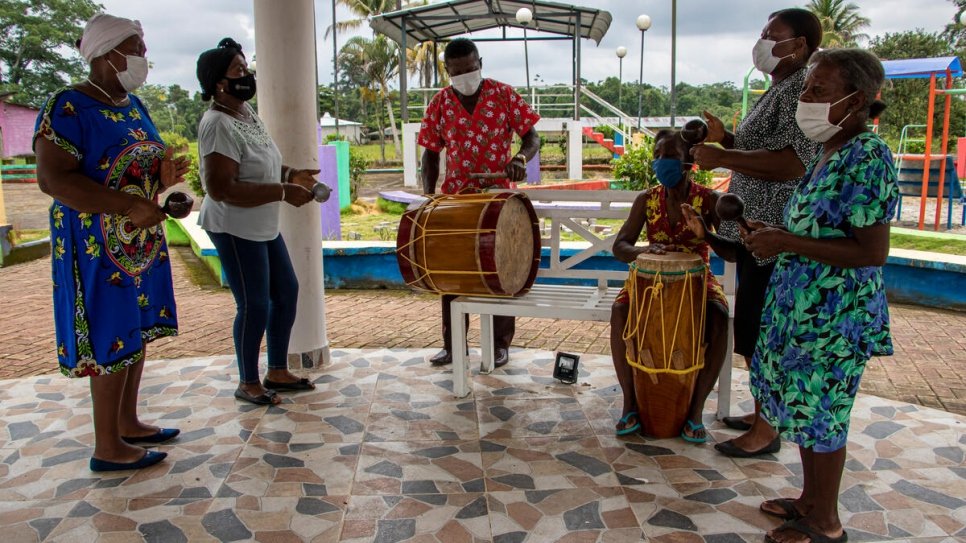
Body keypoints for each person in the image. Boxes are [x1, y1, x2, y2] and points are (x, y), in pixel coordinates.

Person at [741, 48, 897, 543]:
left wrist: (784, 241)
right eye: (807, 89)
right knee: (806, 411)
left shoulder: (867, 155)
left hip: (835, 316)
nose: (806, 99)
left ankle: (825, 524)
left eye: (819, 91)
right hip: (806, 308)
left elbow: (870, 250)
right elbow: (821, 227)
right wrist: (776, 231)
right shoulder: (832, 150)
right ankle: (808, 501)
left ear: (859, 100)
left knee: (824, 413)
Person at [34, 13, 188, 471]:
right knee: (109, 330)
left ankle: (128, 423)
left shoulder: (133, 105)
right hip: (95, 246)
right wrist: (124, 205)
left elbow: (136, 166)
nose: (143, 56)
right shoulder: (68, 107)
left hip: (137, 241)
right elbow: (53, 179)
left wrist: (161, 180)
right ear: (107, 51)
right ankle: (107, 446)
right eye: (136, 47)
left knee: (135, 329)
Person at [689, 8, 823, 458]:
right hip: (754, 231)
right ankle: (766, 412)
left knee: (761, 327)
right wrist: (728, 141)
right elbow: (761, 150)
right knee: (753, 325)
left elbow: (793, 162)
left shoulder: (800, 91)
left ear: (799, 45)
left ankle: (766, 430)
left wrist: (724, 159)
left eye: (773, 36)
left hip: (774, 232)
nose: (762, 42)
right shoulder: (779, 89)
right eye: (762, 33)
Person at [195, 38, 319, 406]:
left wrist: (291, 173)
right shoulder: (218, 123)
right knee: (254, 304)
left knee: (286, 291)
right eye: (238, 71)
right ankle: (248, 381)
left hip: (260, 224)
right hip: (234, 226)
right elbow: (221, 188)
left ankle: (277, 370)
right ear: (219, 82)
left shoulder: (246, 114)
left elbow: (259, 164)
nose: (247, 75)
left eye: (247, 68)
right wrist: (282, 191)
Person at [417, 38, 540, 368]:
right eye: (457, 72)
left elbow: (532, 136)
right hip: (456, 200)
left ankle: (500, 344)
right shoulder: (440, 103)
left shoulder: (503, 94)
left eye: (470, 69)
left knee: (500, 270)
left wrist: (520, 157)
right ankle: (453, 345)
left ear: (480, 62)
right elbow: (430, 154)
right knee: (450, 270)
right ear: (447, 70)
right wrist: (429, 199)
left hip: (498, 199)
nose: (465, 76)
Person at [610, 130, 729, 443]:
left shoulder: (708, 199)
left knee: (718, 317)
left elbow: (730, 248)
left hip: (698, 278)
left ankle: (696, 413)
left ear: (689, 161)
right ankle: (630, 406)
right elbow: (620, 246)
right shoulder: (646, 200)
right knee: (619, 312)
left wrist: (706, 235)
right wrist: (643, 251)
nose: (663, 162)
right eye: (659, 156)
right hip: (648, 281)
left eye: (671, 156)